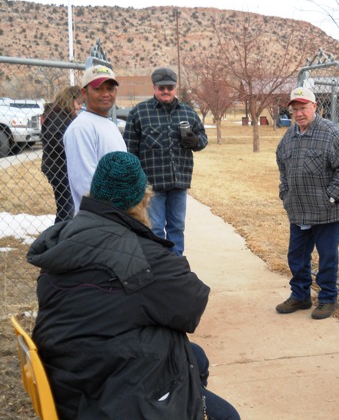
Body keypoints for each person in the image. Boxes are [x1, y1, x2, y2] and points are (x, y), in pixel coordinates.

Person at [27, 151, 240, 420]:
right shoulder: (144, 256)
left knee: (195, 356)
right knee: (228, 415)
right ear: (142, 198)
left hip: (69, 374)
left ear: (96, 192)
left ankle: (189, 401)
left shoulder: (68, 234)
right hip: (109, 394)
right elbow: (192, 304)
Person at [275, 86, 339, 320]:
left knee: (327, 257)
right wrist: (286, 193)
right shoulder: (289, 136)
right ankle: (300, 295)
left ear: (315, 107)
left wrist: (330, 197)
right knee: (297, 256)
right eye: (295, 109)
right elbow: (282, 166)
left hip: (328, 212)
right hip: (299, 210)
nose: (299, 113)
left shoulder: (331, 133)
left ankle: (327, 298)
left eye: (303, 108)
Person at [124, 67, 207, 256]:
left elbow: (202, 140)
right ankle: (158, 264)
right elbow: (130, 150)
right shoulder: (139, 113)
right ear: (154, 87)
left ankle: (176, 265)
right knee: (155, 228)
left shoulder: (187, 112)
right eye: (161, 87)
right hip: (152, 185)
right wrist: (135, 180)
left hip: (179, 182)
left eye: (169, 87)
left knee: (177, 227)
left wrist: (195, 140)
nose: (166, 91)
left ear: (175, 88)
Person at [63, 65, 126, 213]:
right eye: (98, 89)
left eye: (110, 89)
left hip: (118, 216)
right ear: (84, 93)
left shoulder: (110, 125)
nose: (105, 94)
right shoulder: (81, 128)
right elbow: (85, 183)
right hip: (98, 220)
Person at [40, 86, 83, 223]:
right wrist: (76, 146)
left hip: (61, 167)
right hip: (58, 168)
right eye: (79, 102)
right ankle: (59, 236)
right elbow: (56, 141)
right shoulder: (58, 116)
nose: (80, 107)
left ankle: (62, 234)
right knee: (67, 208)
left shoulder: (61, 115)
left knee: (67, 206)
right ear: (71, 100)